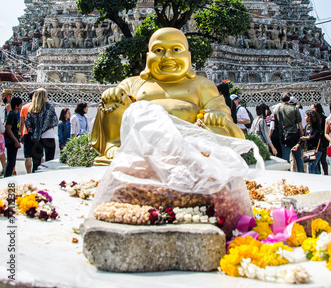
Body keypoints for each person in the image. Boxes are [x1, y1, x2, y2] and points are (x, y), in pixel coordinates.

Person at [92, 27, 244, 165]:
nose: (167, 56)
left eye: (176, 49)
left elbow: (220, 110)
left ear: (188, 57)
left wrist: (216, 115)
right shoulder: (132, 84)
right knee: (114, 98)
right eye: (158, 50)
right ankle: (115, 143)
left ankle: (200, 157)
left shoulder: (202, 84)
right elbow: (114, 111)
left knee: (216, 128)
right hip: (142, 141)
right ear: (147, 57)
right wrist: (114, 96)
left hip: (192, 141)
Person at [25, 88, 58, 173]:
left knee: (36, 163)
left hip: (36, 138)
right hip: (49, 136)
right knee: (49, 162)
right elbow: (55, 121)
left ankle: (35, 181)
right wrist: (45, 126)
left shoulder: (32, 108)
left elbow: (27, 123)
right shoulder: (49, 107)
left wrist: (36, 128)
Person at [273, 92, 304, 173]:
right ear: (289, 99)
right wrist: (302, 135)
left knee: (285, 158)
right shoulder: (294, 109)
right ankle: (302, 174)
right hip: (294, 135)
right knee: (298, 157)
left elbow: (276, 123)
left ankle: (287, 175)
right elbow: (299, 124)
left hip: (283, 136)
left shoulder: (277, 109)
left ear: (281, 99)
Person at [293, 109, 322, 174]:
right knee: (315, 167)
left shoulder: (317, 126)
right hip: (309, 150)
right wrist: (297, 145)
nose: (305, 118)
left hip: (316, 150)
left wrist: (306, 138)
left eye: (306, 116)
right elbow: (302, 137)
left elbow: (316, 136)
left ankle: (311, 181)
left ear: (310, 117)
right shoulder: (307, 127)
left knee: (311, 166)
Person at [4, 96, 22, 177]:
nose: (21, 106)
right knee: (10, 162)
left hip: (14, 140)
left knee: (12, 162)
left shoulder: (15, 114)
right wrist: (15, 141)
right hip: (11, 142)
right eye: (20, 104)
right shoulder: (11, 114)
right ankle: (6, 179)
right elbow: (8, 129)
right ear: (16, 106)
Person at [311, 102, 328, 175]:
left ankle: (326, 174)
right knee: (316, 160)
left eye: (313, 108)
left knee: (323, 160)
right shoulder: (312, 119)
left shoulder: (324, 118)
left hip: (323, 142)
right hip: (316, 141)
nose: (311, 110)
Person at [20, 91, 35, 174]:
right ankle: (36, 172)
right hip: (36, 133)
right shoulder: (39, 107)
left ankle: (28, 173)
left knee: (27, 155)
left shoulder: (24, 107)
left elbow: (22, 123)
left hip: (26, 133)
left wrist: (21, 135)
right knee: (38, 155)